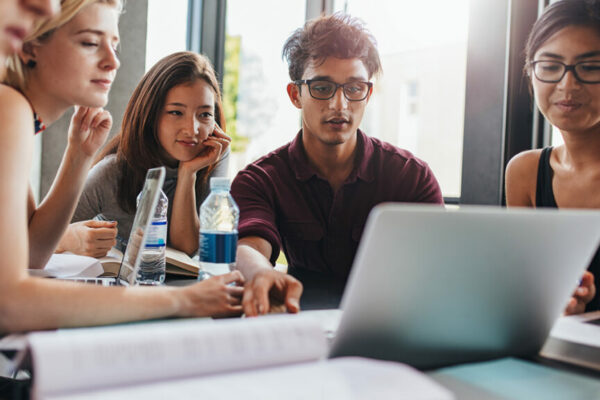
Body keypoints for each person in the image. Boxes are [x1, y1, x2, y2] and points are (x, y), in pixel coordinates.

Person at [0, 0, 243, 334]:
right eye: (89, 43)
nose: (113, 61)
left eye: (114, 44)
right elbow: (10, 302)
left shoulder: (19, 116)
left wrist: (80, 155)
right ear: (30, 44)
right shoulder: (8, 107)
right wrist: (186, 301)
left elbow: (29, 258)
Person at [232, 14, 443, 316]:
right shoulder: (261, 179)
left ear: (368, 93)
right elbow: (249, 247)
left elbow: (438, 266)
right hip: (297, 321)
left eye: (354, 88)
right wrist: (259, 272)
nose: (339, 105)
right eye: (322, 87)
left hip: (389, 323)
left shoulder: (411, 177)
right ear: (296, 94)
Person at [59, 51, 230, 257]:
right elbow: (35, 241)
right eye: (176, 112)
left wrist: (188, 174)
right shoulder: (112, 172)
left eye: (204, 115)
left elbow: (185, 251)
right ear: (151, 115)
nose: (192, 129)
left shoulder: (213, 154)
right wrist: (70, 239)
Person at [505, 0, 600, 314]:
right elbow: (523, 291)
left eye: (590, 67)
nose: (567, 85)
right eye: (549, 66)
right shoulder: (525, 172)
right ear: (530, 72)